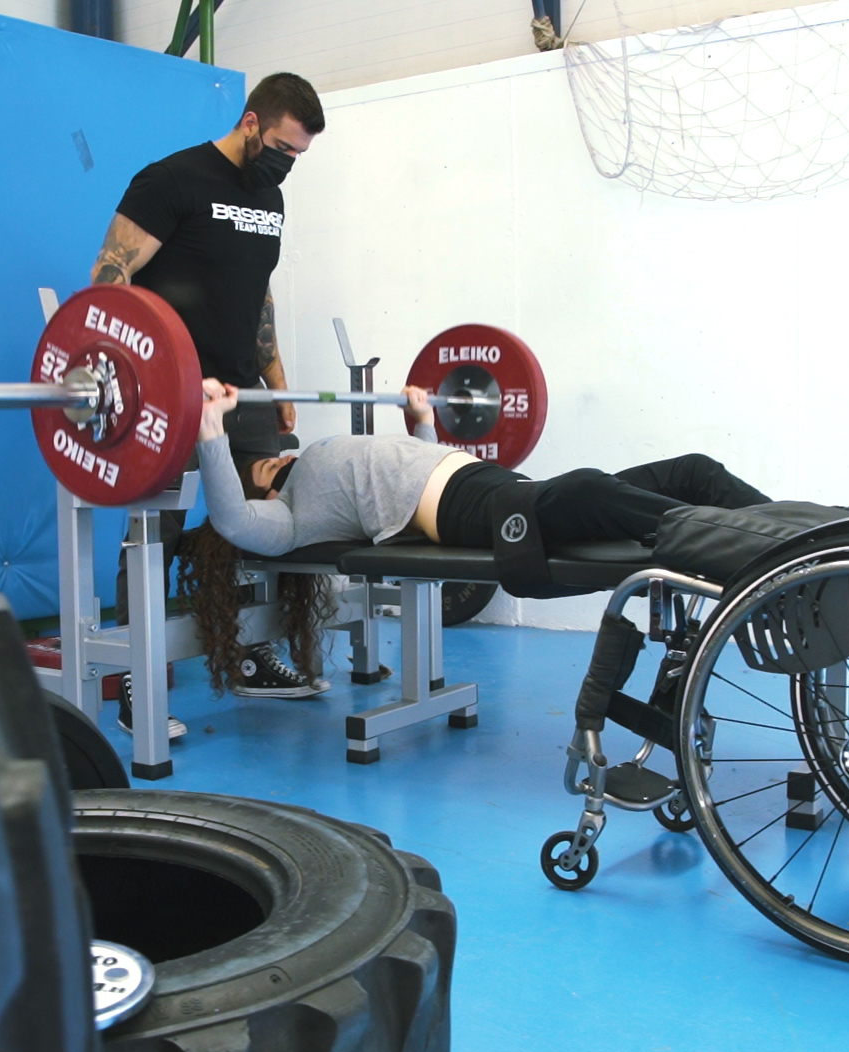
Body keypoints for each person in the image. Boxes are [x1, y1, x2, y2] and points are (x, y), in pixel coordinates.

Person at [179, 379, 772, 691]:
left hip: (492, 485)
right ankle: (749, 546)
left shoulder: (318, 458)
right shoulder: (291, 516)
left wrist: (419, 419)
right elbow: (231, 519)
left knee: (691, 470)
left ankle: (808, 531)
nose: (266, 459)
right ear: (257, 488)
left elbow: (416, 459)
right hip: (471, 511)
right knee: (592, 490)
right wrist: (210, 429)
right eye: (251, 467)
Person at [93, 73, 328, 735]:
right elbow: (110, 279)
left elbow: (259, 291)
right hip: (168, 388)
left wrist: (275, 373)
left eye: (300, 155)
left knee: (271, 517)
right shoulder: (172, 181)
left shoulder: (270, 196)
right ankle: (139, 680)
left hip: (244, 387)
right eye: (284, 146)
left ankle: (251, 654)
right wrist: (153, 372)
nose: (289, 162)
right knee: (154, 531)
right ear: (251, 122)